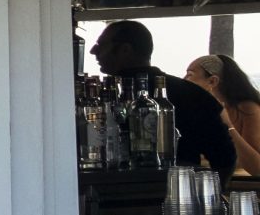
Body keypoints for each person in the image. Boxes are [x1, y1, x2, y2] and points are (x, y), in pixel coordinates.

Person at [92, 20, 234, 172]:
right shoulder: (193, 94)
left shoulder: (102, 98)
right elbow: (225, 159)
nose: (93, 51)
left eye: (101, 45)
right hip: (175, 190)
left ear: (125, 50)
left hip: (111, 190)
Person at [185, 53, 260, 176]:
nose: (184, 80)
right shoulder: (197, 110)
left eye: (190, 75)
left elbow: (257, 168)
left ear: (212, 81)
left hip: (242, 189)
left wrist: (227, 125)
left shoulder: (248, 109)